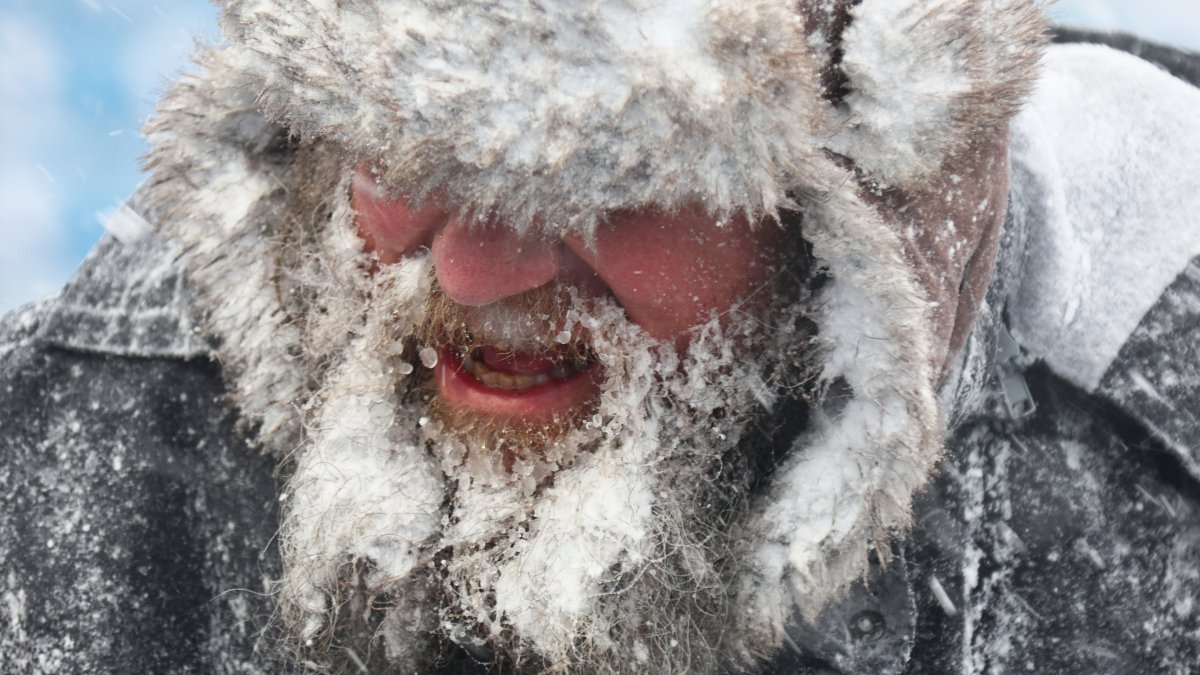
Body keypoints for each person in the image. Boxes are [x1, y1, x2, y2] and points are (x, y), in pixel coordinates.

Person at [2, 1, 1198, 672]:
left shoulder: (1149, 473)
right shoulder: (64, 458)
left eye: (610, 183)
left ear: (859, 202)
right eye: (405, 156)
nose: (474, 270)